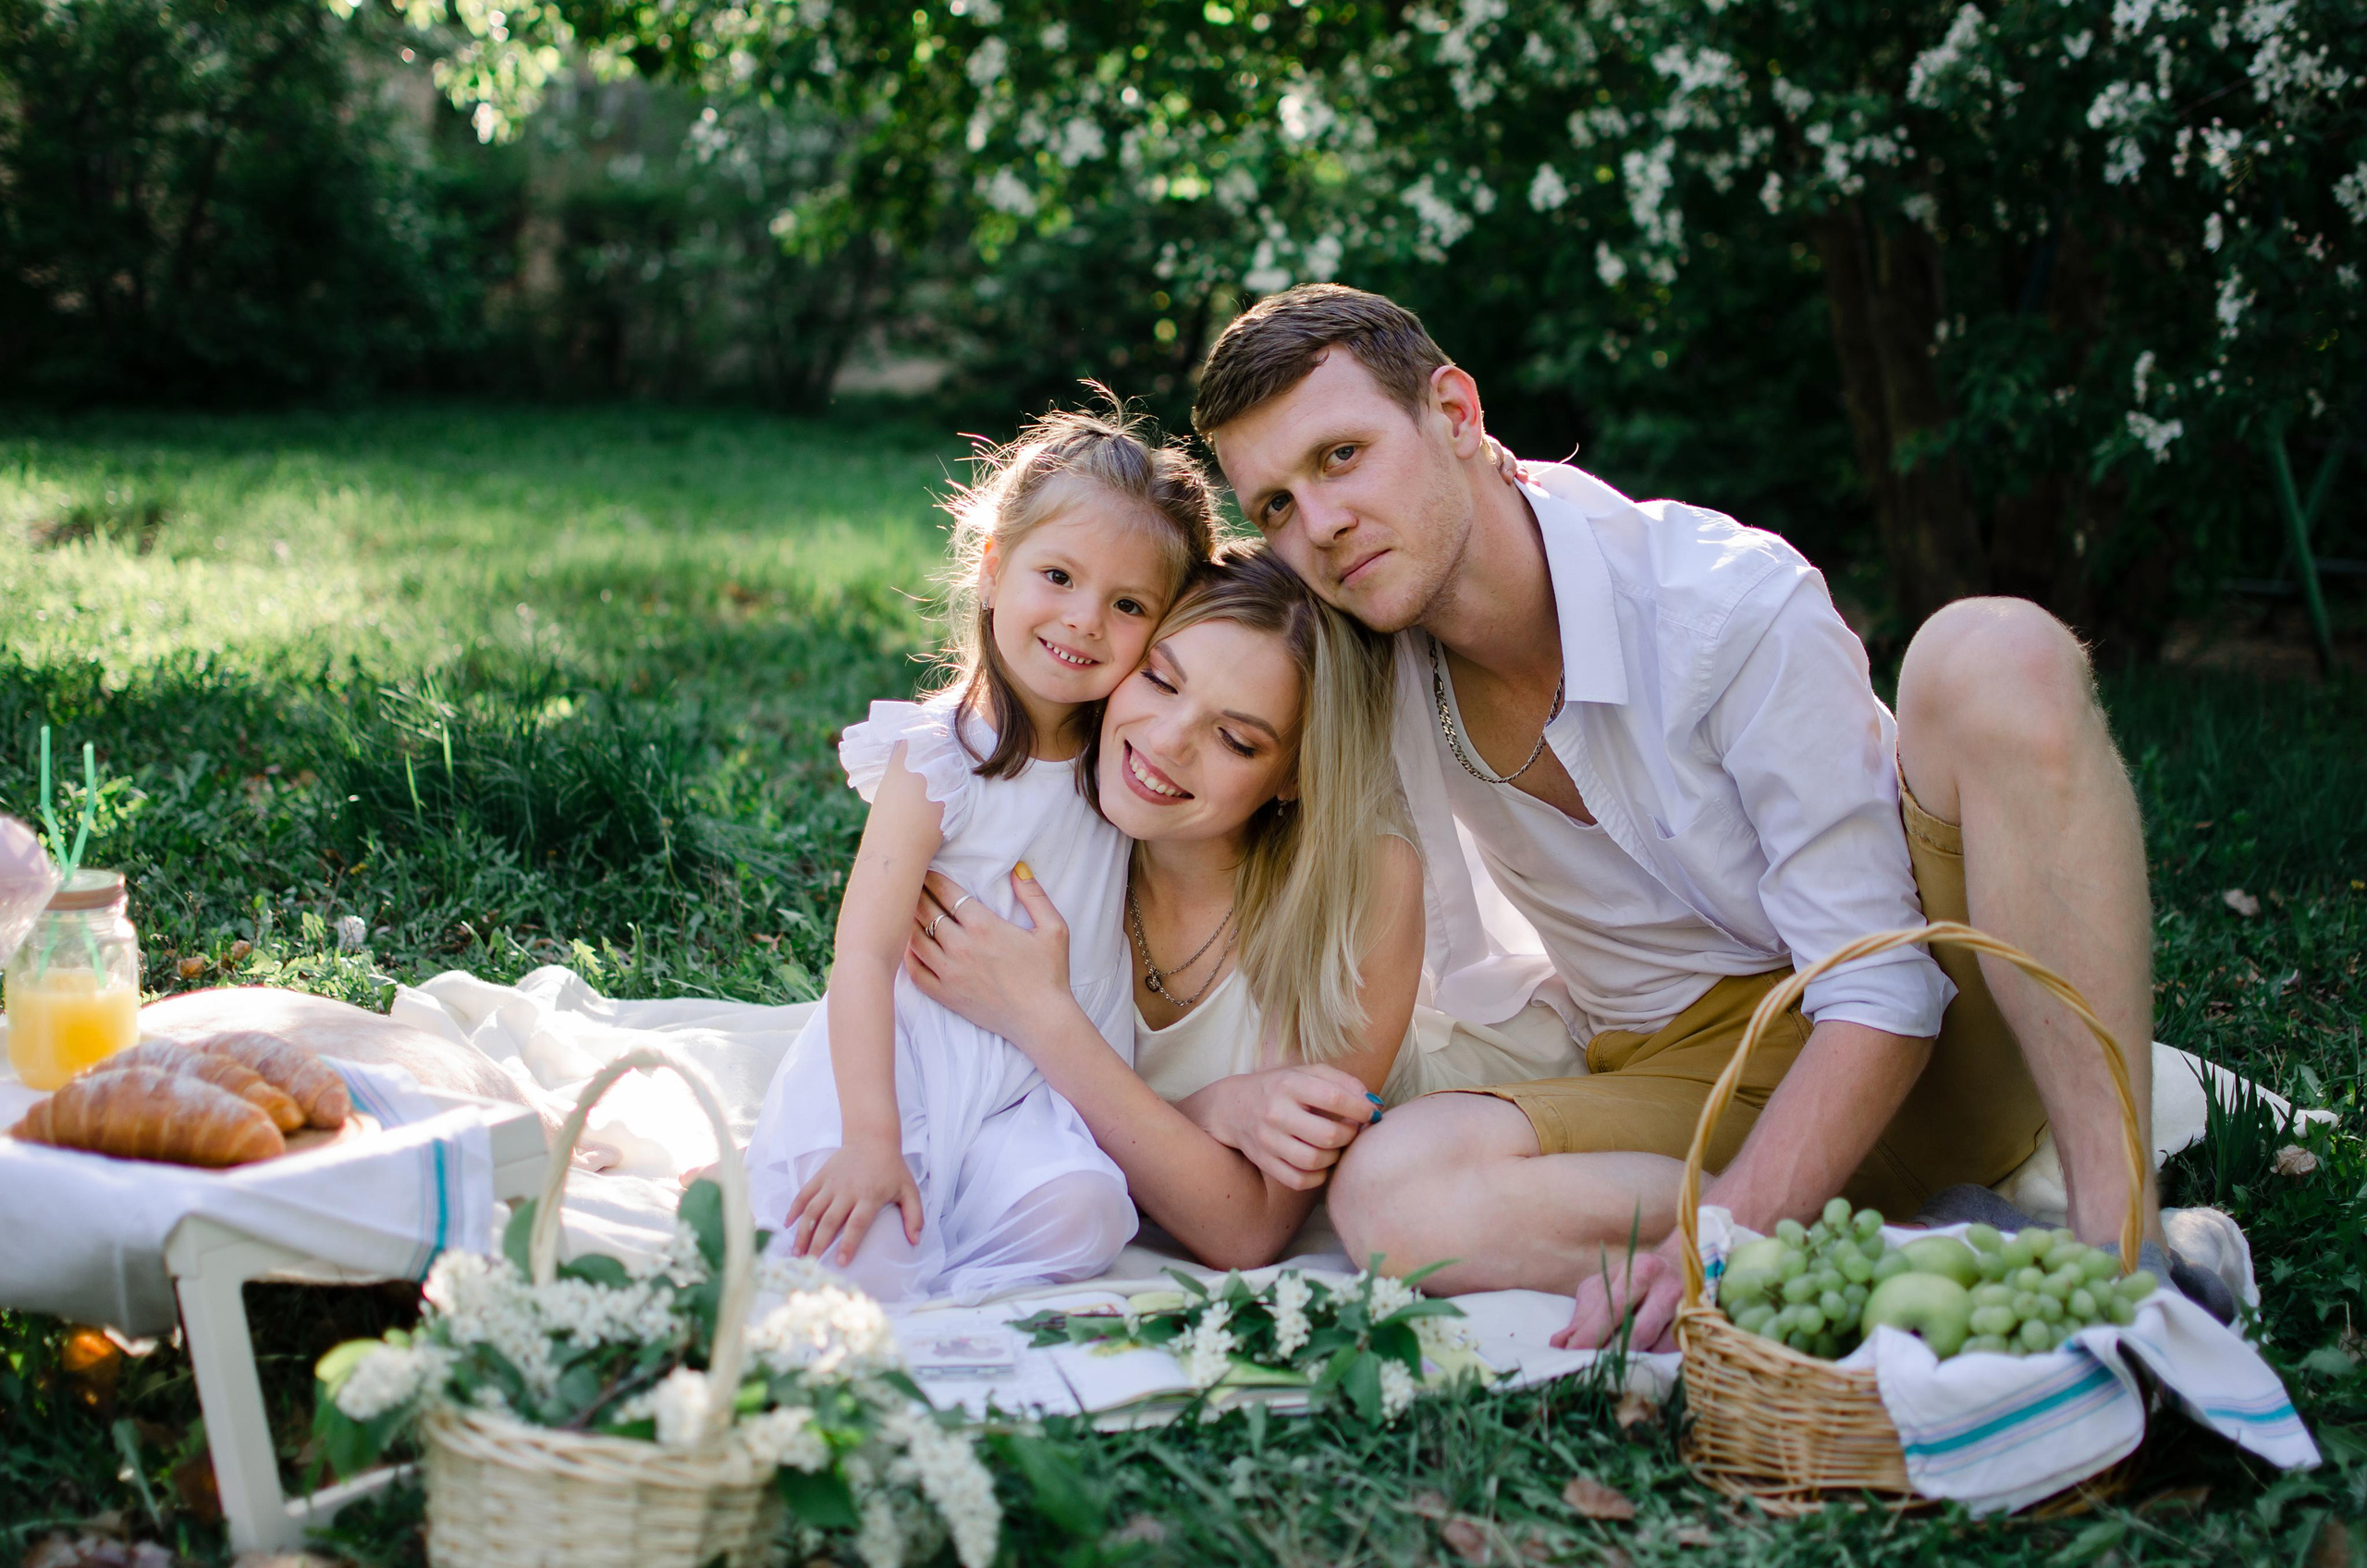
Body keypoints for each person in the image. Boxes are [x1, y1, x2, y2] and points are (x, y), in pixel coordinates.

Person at [1188, 282, 2165, 1350]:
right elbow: (1164, 710)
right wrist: (1215, 1104)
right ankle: (1909, 1248)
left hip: (1933, 1015)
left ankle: (2123, 1251)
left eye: (1341, 456)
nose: (1320, 526)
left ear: (1456, 413)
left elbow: (1882, 985)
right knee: (1393, 1197)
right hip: (1694, 1081)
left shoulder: (1720, 602)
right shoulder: (1357, 665)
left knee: (1996, 652)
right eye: (1273, 505)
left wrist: (1716, 1234)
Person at [903, 544, 1585, 1268]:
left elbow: (1249, 1227)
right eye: (1160, 680)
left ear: (1294, 775)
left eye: (1234, 739)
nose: (1167, 741)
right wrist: (1214, 1110)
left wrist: (1043, 1018)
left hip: (1510, 1133)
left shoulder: (1356, 878)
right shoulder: (1039, 823)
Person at [741, 397, 1216, 1304]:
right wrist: (871, 1137)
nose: (1084, 620)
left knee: (1089, 1216)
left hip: (1028, 1092)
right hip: (906, 1075)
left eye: (1127, 604)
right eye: (1058, 576)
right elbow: (863, 952)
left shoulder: (1127, 767)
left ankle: (944, 1264)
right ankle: (800, 1202)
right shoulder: (938, 758)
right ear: (994, 569)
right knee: (862, 1257)